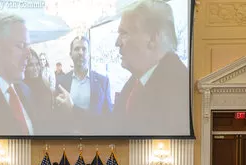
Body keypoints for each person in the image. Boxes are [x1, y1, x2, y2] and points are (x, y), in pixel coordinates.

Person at [113, 0, 189, 136]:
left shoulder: (179, 87)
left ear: (153, 38)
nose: (117, 43)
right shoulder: (137, 81)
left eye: (124, 33)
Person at [55, 36, 112, 126]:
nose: (80, 52)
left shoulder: (103, 82)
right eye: (77, 49)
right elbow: (58, 115)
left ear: (89, 54)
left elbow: (108, 117)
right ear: (70, 54)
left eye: (84, 49)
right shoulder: (61, 82)